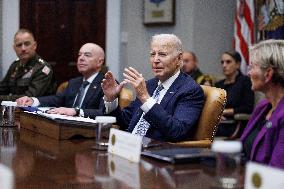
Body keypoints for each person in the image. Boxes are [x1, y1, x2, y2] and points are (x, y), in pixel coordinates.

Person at [101, 34, 204, 142]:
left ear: (178, 59)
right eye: (152, 54)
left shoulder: (190, 90)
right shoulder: (150, 85)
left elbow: (177, 131)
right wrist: (111, 99)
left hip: (155, 152)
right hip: (128, 146)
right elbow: (125, 121)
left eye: (162, 54)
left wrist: (145, 98)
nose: (155, 60)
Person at [16, 43, 105, 118]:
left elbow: (104, 112)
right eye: (79, 54)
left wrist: (76, 111)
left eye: (87, 55)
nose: (81, 58)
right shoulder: (74, 82)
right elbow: (57, 99)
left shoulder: (106, 84)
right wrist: (33, 101)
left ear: (99, 62)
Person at [240, 40, 284, 169]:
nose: (248, 73)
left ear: (268, 73)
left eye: (252, 67)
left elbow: (277, 171)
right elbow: (243, 150)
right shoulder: (263, 107)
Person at [0, 28, 56, 102]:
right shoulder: (15, 65)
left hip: (37, 111)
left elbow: (29, 97)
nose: (23, 48)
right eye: (19, 45)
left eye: (27, 44)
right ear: (14, 48)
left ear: (34, 45)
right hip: (17, 109)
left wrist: (2, 98)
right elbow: (3, 88)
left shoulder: (43, 68)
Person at [215, 51, 254, 137]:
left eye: (228, 62)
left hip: (236, 124)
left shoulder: (245, 82)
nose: (224, 65)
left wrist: (224, 112)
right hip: (218, 122)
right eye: (222, 62)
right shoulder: (219, 84)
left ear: (237, 64)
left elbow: (248, 107)